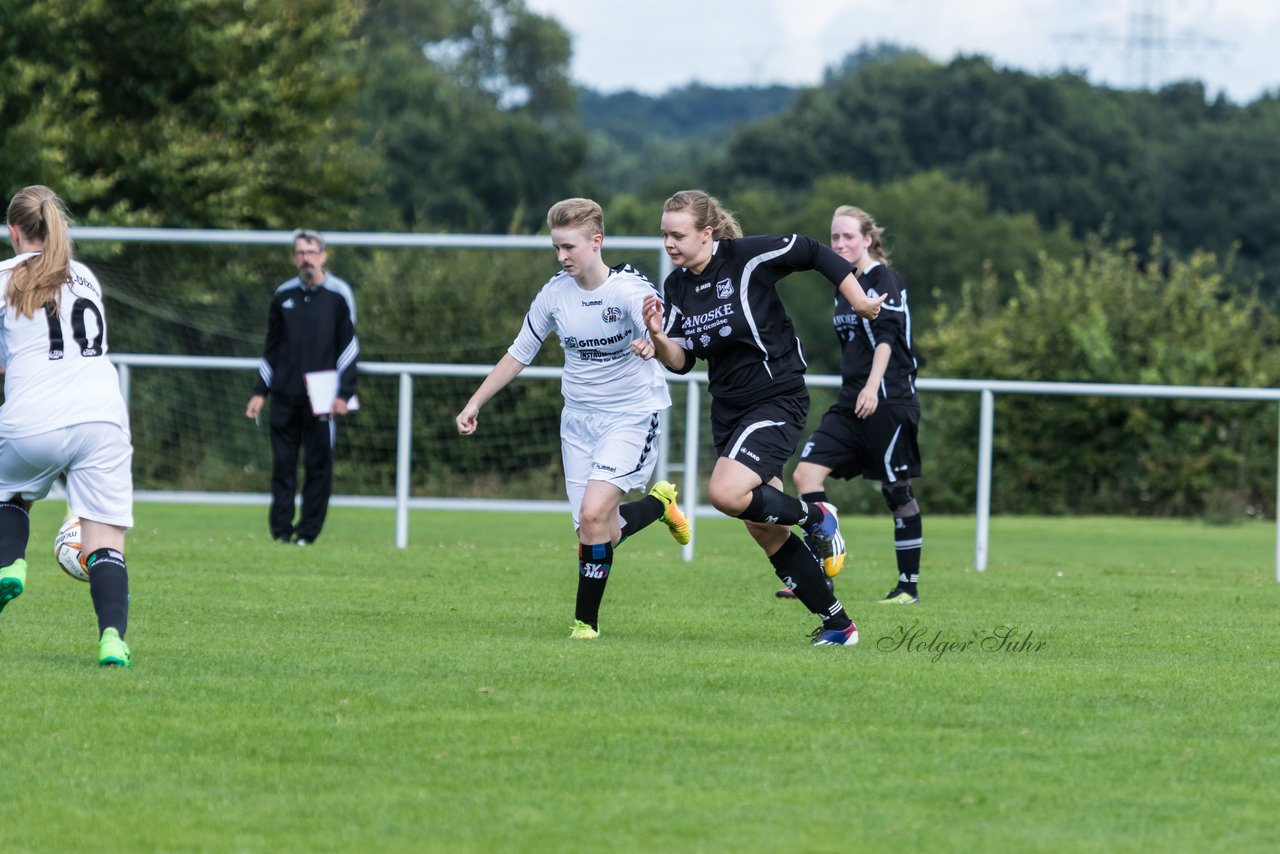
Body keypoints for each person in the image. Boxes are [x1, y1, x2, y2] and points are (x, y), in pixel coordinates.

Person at [640, 190, 885, 646]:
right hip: (729, 410)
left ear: (707, 234)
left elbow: (813, 251)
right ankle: (839, 625)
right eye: (665, 235)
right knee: (763, 526)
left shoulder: (746, 258)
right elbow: (681, 360)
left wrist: (857, 298)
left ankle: (816, 517)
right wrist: (656, 336)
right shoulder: (675, 287)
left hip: (777, 397)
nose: (669, 244)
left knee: (725, 492)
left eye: (678, 235)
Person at [456, 198, 690, 640]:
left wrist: (651, 342)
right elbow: (518, 352)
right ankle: (660, 505)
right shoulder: (554, 294)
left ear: (595, 242)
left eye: (569, 247)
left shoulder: (627, 290)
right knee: (593, 528)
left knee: (593, 513)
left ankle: (586, 624)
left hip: (630, 416)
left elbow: (668, 330)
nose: (562, 257)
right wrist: (475, 403)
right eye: (556, 248)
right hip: (579, 422)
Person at [0, 185, 135, 667]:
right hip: (102, 417)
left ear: (14, 232)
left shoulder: (4, 277)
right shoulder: (84, 276)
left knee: (9, 493)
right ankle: (112, 639)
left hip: (33, 417)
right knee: (105, 541)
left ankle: (10, 562)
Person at [779, 206, 923, 604]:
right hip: (851, 400)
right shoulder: (845, 284)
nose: (840, 244)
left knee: (896, 489)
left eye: (848, 237)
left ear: (868, 239)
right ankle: (820, 574)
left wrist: (873, 386)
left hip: (888, 399)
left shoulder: (882, 279)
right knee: (806, 474)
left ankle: (907, 588)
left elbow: (887, 337)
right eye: (835, 237)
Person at [245, 229, 358, 546]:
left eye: (311, 252)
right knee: (283, 466)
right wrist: (259, 392)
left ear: (323, 255)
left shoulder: (338, 297)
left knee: (318, 467)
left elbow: (349, 349)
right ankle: (281, 531)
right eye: (300, 252)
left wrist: (344, 394)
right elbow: (271, 349)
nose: (306, 258)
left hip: (322, 398)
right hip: (284, 396)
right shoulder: (283, 296)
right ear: (294, 257)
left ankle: (307, 533)